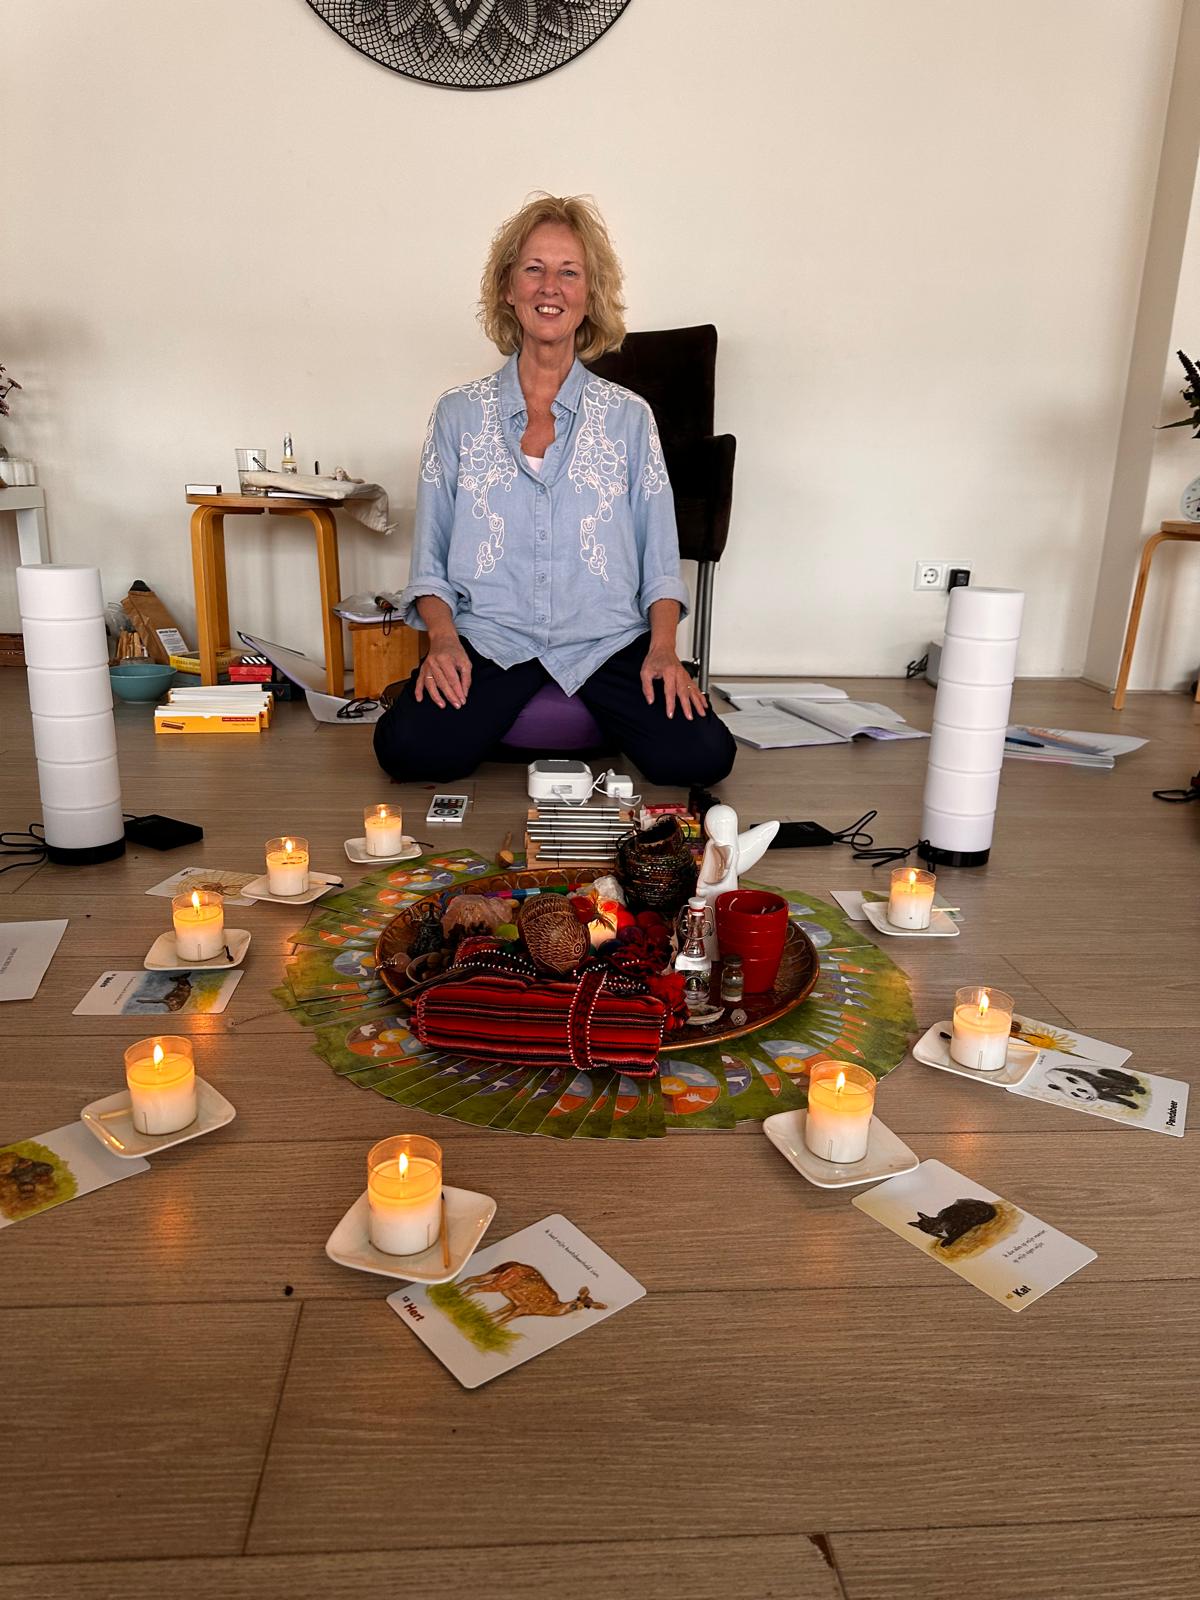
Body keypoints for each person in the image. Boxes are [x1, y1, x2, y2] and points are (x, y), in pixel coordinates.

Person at [373, 193, 737, 789]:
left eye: (570, 272)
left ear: (589, 295)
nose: (551, 287)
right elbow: (430, 563)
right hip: (493, 637)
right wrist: (441, 640)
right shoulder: (458, 414)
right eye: (534, 269)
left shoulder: (629, 417)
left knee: (703, 757)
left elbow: (660, 561)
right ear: (507, 288)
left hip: (605, 639)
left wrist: (663, 650)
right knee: (406, 750)